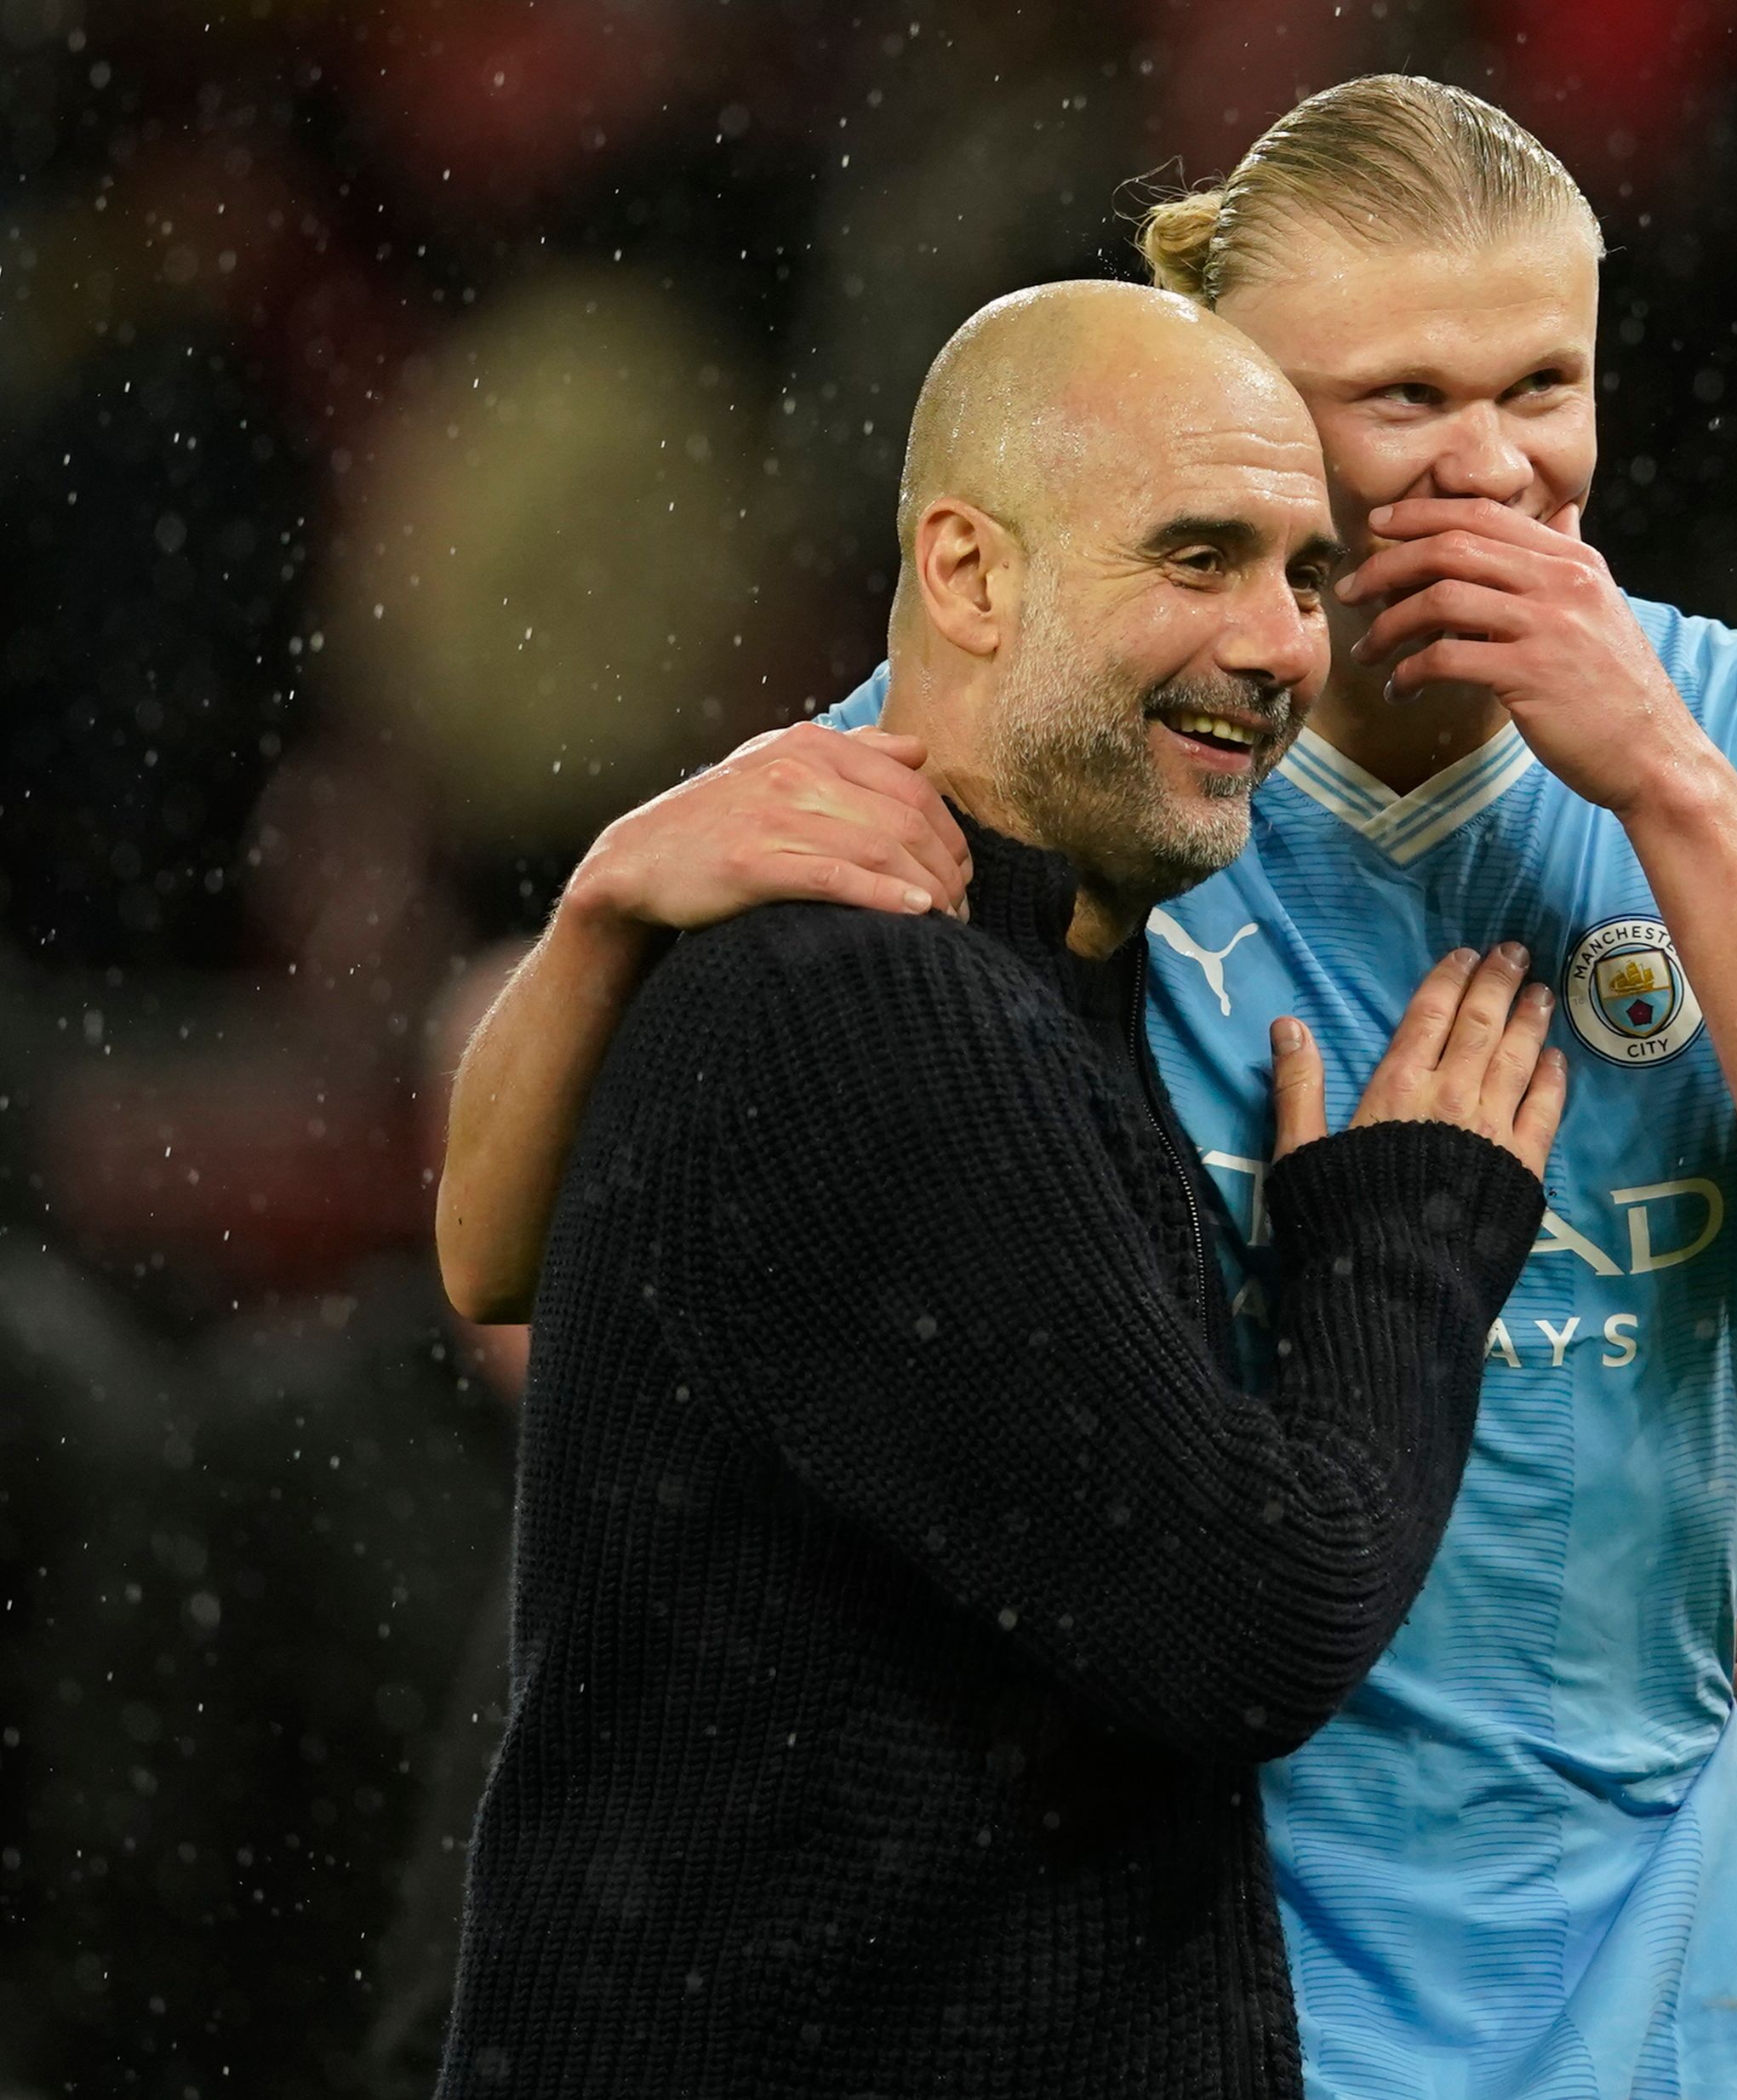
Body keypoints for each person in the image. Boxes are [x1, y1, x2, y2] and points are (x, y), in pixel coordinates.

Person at [437, 77, 1737, 2097]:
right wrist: (605, 904)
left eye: (1542, 385)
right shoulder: (1104, 761)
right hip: (1236, 1986)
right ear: (1235, 407)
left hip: (1668, 1994)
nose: (1492, 466)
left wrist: (1659, 777)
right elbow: (513, 1253)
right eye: (1401, 400)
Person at [437, 280, 1557, 2097]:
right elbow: (1252, 1620)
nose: (1279, 642)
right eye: (1197, 556)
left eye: (1303, 574)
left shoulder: (1026, 986)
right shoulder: (869, 1002)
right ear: (965, 574)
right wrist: (1408, 1242)